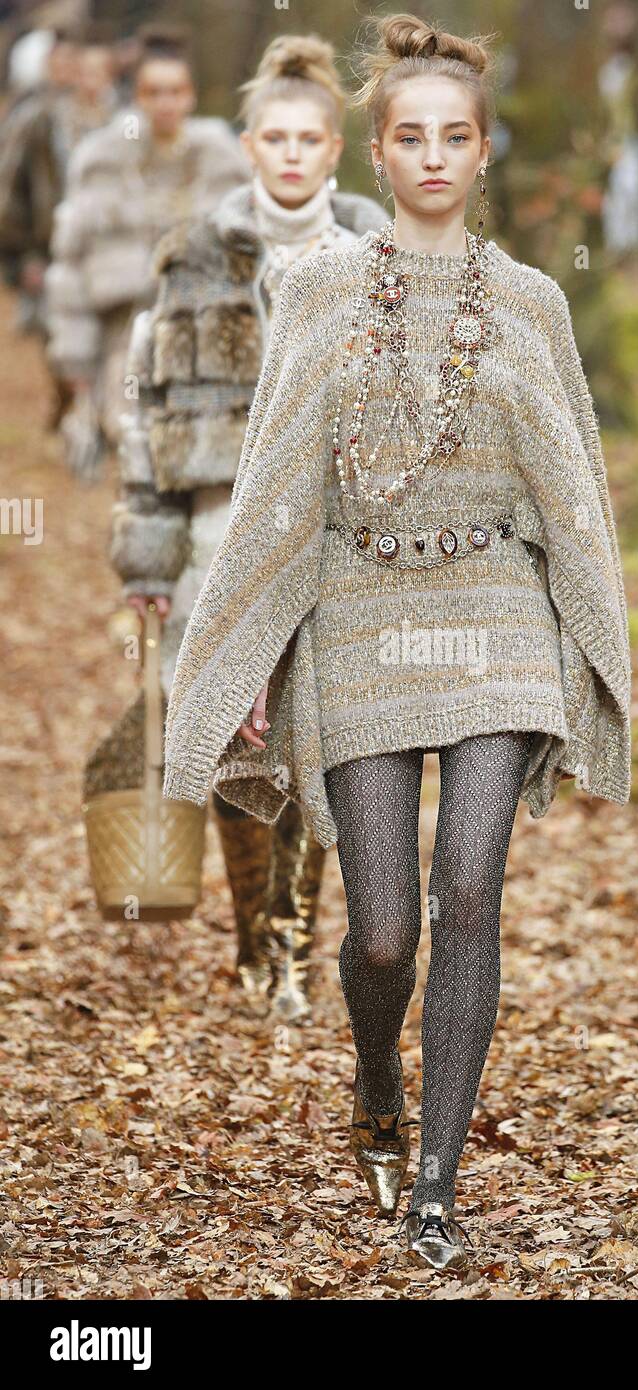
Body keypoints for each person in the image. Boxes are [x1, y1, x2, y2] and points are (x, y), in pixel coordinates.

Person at [160, 12, 631, 1270]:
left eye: (455, 136)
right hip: (361, 614)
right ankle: (377, 1072)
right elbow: (276, 490)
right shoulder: (313, 290)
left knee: (468, 883)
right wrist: (255, 647)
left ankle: (435, 1180)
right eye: (410, 136)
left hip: (496, 618)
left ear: (485, 152)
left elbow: (573, 492)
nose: (433, 156)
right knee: (380, 932)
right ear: (378, 150)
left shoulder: (531, 304)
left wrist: (591, 656)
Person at [103, 34, 387, 1018]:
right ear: (251, 144)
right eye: (276, 136)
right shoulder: (191, 258)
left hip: (335, 534)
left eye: (312, 138)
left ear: (335, 151)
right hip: (215, 534)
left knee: (313, 736)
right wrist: (146, 550)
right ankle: (249, 938)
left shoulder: (376, 255)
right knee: (226, 733)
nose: (294, 154)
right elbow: (148, 407)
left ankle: (295, 950)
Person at [44, 23, 249, 476]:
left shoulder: (221, 162)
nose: (165, 103)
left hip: (202, 348)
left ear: (191, 95)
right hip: (121, 347)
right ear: (136, 95)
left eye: (175, 90)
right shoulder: (102, 161)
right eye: (153, 91)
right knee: (134, 472)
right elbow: (71, 270)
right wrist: (74, 361)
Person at [0, 25, 116, 425]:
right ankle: (65, 396)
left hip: (106, 251)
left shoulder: (121, 121)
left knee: (104, 335)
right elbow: (11, 187)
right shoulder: (38, 119)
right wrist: (23, 255)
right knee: (58, 336)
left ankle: (95, 410)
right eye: (64, 64)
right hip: (49, 249)